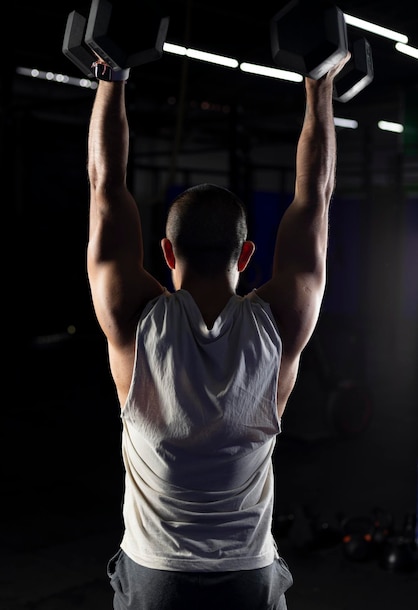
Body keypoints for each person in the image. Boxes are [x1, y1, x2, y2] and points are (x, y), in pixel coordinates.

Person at [86, 49, 350, 610]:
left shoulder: (135, 321)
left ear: (165, 251)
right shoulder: (279, 323)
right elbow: (315, 198)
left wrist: (113, 76)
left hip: (157, 577)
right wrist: (319, 82)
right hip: (246, 577)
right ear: (246, 254)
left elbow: (104, 184)